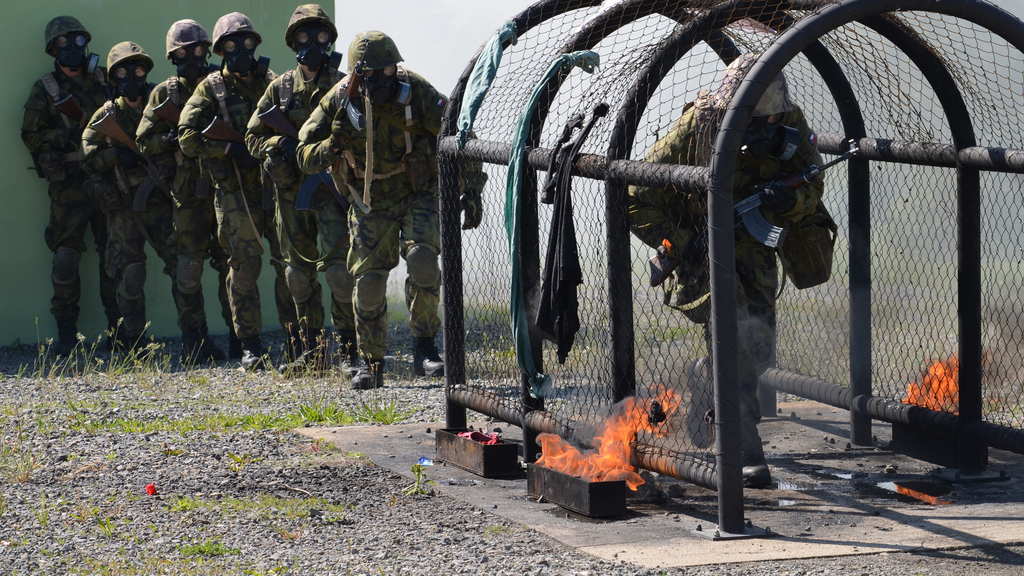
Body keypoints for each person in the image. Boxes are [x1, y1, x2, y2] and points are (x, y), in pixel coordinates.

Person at [628, 54, 824, 487]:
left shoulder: (790, 121)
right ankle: (740, 442)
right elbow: (636, 190)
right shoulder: (699, 124)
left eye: (768, 119)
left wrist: (786, 201)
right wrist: (683, 242)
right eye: (752, 120)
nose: (763, 127)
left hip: (757, 250)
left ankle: (707, 379)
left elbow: (812, 185)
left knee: (758, 346)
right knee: (729, 332)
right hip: (704, 250)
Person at [297, 31, 486, 389]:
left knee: (423, 261)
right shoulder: (337, 101)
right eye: (373, 73)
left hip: (419, 191)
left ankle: (425, 347)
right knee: (367, 282)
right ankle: (370, 362)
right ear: (356, 75)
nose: (384, 78)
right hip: (371, 198)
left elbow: (461, 132)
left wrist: (473, 187)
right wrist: (332, 144)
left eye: (389, 70)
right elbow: (304, 155)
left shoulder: (415, 90)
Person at [178, 12, 297, 369]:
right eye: (230, 45)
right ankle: (249, 344)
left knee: (287, 264)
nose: (240, 50)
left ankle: (299, 341)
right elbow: (186, 137)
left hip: (273, 185)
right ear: (219, 50)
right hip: (233, 190)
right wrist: (228, 149)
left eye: (246, 42)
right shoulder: (210, 88)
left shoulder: (275, 82)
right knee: (245, 265)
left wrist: (269, 145)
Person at [245, 4, 353, 374]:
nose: (313, 44)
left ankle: (351, 352)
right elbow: (252, 136)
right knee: (297, 276)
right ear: (293, 43)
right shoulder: (280, 89)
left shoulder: (343, 84)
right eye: (304, 37)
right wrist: (278, 147)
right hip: (291, 196)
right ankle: (314, 352)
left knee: (340, 273)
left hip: (332, 194)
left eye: (320, 36)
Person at [22, 16, 120, 355]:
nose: (73, 49)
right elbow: (31, 136)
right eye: (64, 43)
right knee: (66, 257)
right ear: (53, 49)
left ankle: (119, 330)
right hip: (69, 187)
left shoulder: (105, 80)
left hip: (107, 177)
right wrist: (70, 134)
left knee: (115, 254)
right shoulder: (45, 88)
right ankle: (67, 334)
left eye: (78, 41)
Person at [137, 20, 233, 363]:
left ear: (207, 49)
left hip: (225, 186)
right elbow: (144, 141)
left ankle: (241, 337)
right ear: (171, 56)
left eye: (196, 49)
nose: (191, 57)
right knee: (188, 268)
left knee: (233, 265)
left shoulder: (223, 85)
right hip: (188, 193)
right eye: (182, 52)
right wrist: (175, 139)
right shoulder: (166, 93)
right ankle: (195, 341)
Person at [79, 41, 182, 351]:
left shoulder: (162, 106)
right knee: (131, 274)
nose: (132, 78)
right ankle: (134, 343)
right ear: (114, 78)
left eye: (138, 70)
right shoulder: (107, 114)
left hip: (162, 202)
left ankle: (194, 339)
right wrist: (114, 156)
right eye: (123, 72)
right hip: (125, 205)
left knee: (182, 268)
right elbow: (86, 156)